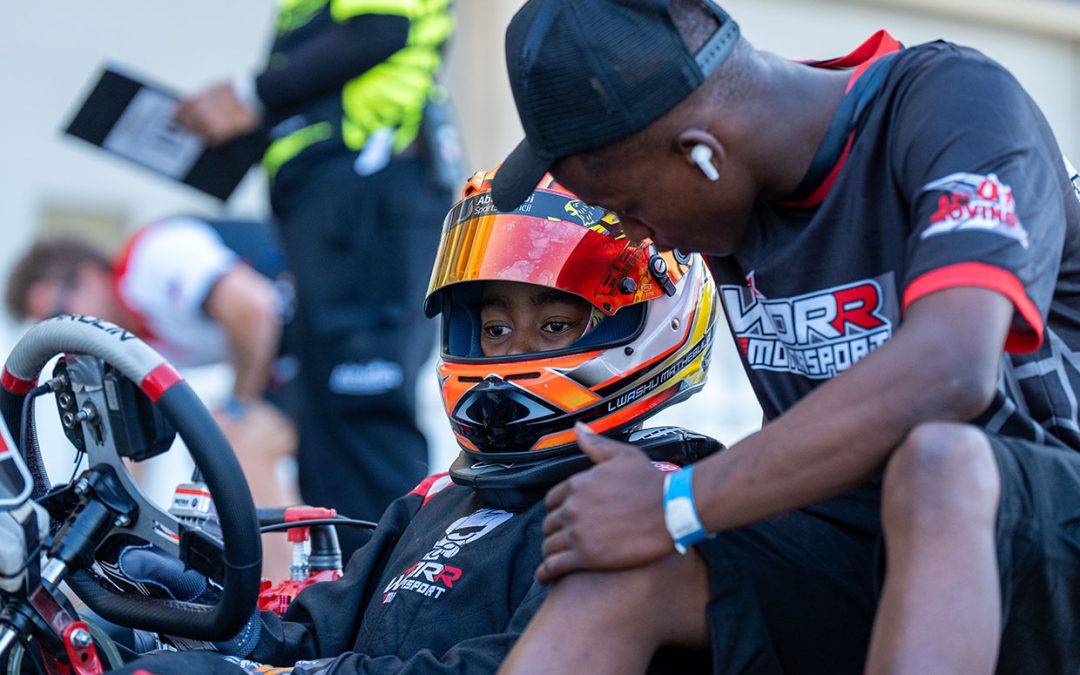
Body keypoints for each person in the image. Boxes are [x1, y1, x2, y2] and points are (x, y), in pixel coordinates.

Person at [487, 1, 1080, 673]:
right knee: (625, 568)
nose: (633, 235)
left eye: (630, 208)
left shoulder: (956, 105)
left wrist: (679, 502)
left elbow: (950, 370)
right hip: (869, 541)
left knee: (940, 459)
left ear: (702, 155)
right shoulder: (735, 192)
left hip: (1039, 542)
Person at [107, 169, 720, 674]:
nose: (508, 355)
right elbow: (317, 641)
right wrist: (211, 619)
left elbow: (507, 666)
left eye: (555, 325)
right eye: (494, 328)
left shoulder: (648, 502)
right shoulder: (442, 495)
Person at [174, 0, 460, 555]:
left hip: (370, 194)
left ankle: (388, 602)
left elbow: (382, 28)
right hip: (332, 204)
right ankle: (340, 598)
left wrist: (249, 95)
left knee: (364, 399)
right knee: (326, 415)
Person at [5, 215, 299, 579]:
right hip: (300, 357)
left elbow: (253, 308)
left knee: (239, 439)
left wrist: (240, 403)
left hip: (328, 326)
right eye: (47, 327)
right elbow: (134, 450)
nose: (62, 337)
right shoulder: (130, 339)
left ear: (91, 276)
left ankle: (281, 596)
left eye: (59, 315)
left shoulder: (149, 260)